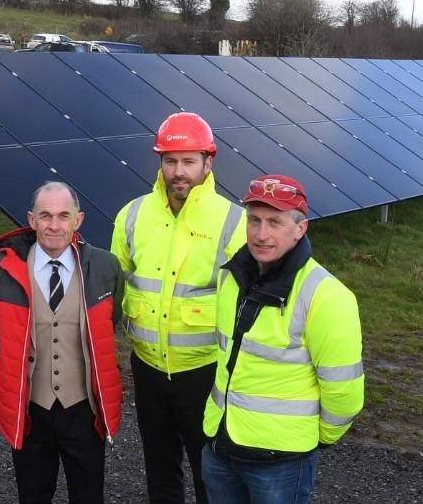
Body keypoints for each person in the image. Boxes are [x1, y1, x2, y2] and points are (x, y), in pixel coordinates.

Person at [200, 174, 365, 504]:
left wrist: (315, 441)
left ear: (300, 229)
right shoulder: (231, 278)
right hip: (220, 447)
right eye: (254, 221)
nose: (261, 234)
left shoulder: (327, 296)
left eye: (275, 222)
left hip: (281, 462)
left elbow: (344, 391)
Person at [111, 112, 246, 503]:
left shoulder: (233, 221)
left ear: (209, 161)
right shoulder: (133, 215)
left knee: (211, 474)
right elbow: (114, 282)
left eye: (189, 161)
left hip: (204, 373)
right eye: (170, 161)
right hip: (148, 369)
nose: (178, 172)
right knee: (159, 469)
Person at [0, 181, 123, 504]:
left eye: (63, 216)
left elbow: (107, 323)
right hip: (29, 409)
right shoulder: (1, 270)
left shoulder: (105, 267)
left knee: (88, 496)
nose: (54, 226)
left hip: (83, 410)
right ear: (31, 219)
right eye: (45, 216)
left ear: (78, 221)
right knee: (32, 495)